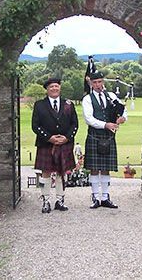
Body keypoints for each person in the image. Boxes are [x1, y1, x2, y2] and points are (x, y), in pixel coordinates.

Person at [32, 77, 79, 213]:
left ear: (60, 88)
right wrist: (49, 138)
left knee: (62, 172)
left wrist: (67, 138)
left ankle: (60, 200)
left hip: (64, 143)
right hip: (46, 144)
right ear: (47, 89)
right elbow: (35, 126)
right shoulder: (39, 105)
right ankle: (46, 201)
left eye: (56, 86)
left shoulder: (68, 104)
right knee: (45, 173)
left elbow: (74, 124)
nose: (54, 89)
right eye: (51, 87)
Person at [82, 71, 127, 209]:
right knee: (94, 168)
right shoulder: (88, 99)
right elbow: (89, 119)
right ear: (91, 84)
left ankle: (105, 197)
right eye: (95, 82)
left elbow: (122, 110)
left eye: (100, 82)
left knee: (106, 168)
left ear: (103, 82)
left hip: (109, 137)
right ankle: (95, 197)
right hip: (95, 136)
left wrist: (122, 118)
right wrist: (105, 125)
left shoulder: (111, 96)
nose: (98, 85)